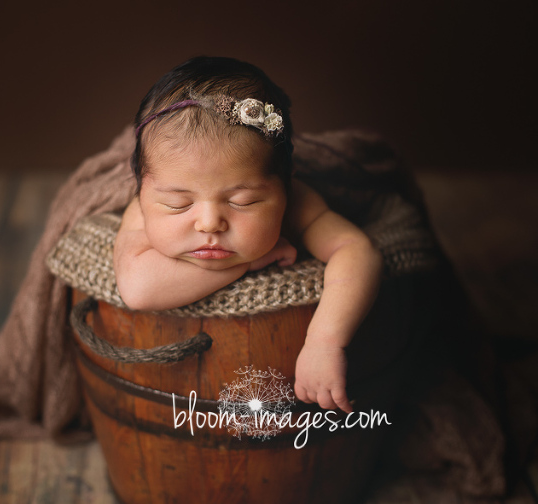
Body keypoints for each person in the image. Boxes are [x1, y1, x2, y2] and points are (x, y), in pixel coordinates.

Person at [113, 56, 383, 413]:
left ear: (284, 186)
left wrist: (325, 342)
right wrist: (250, 262)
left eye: (243, 201)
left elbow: (358, 249)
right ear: (144, 189)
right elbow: (137, 288)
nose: (209, 223)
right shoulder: (148, 198)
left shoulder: (299, 203)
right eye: (179, 205)